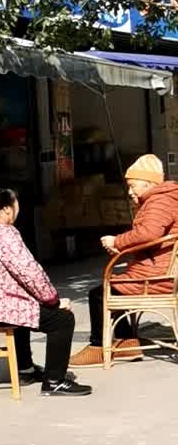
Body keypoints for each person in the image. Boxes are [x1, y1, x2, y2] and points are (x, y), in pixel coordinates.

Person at [0, 186, 91, 397]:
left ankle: (25, 370)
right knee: (62, 320)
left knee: (22, 308)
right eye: (16, 205)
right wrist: (52, 300)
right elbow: (29, 272)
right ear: (6, 209)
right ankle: (54, 381)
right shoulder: (4, 233)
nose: (18, 209)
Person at [70, 155, 178, 367]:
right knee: (113, 286)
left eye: (133, 186)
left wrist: (117, 241)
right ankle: (126, 344)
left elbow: (148, 233)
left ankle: (99, 347)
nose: (130, 191)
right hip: (157, 270)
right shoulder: (162, 199)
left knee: (100, 293)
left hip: (156, 276)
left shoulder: (160, 201)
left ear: (149, 183)